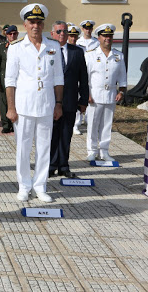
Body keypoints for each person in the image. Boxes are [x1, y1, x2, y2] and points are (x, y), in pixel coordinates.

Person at [5, 3, 63, 203]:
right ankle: (24, 185)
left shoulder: (53, 47)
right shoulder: (16, 48)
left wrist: (58, 104)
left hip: (46, 105)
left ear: (43, 24)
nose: (35, 26)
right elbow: (10, 81)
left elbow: (58, 79)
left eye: (39, 22)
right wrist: (11, 108)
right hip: (23, 106)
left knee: (44, 147)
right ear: (25, 24)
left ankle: (40, 185)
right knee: (23, 147)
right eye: (31, 22)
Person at [48, 21, 88, 179]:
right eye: (58, 31)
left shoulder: (76, 52)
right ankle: (50, 165)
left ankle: (63, 165)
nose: (62, 34)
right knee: (51, 134)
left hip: (70, 100)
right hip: (50, 101)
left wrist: (83, 99)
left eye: (65, 31)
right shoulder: (47, 50)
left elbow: (83, 77)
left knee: (66, 135)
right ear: (52, 34)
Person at [85, 24, 127, 162]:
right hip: (94, 95)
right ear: (99, 38)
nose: (107, 38)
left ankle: (104, 151)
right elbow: (85, 77)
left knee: (106, 125)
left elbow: (122, 76)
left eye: (109, 36)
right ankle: (91, 150)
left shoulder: (118, 55)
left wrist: (122, 91)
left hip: (110, 95)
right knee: (92, 124)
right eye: (104, 36)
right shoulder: (90, 55)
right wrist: (86, 94)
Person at [0, 25, 19, 134]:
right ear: (6, 35)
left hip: (18, 79)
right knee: (4, 101)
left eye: (14, 33)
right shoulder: (1, 47)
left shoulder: (21, 46)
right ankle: (6, 124)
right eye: (10, 34)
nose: (12, 36)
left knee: (17, 101)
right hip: (4, 78)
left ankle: (15, 124)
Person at [67, 23, 85, 135]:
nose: (73, 38)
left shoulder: (81, 50)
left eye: (75, 36)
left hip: (77, 79)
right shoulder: (61, 48)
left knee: (77, 103)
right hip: (67, 81)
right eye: (71, 36)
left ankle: (76, 124)